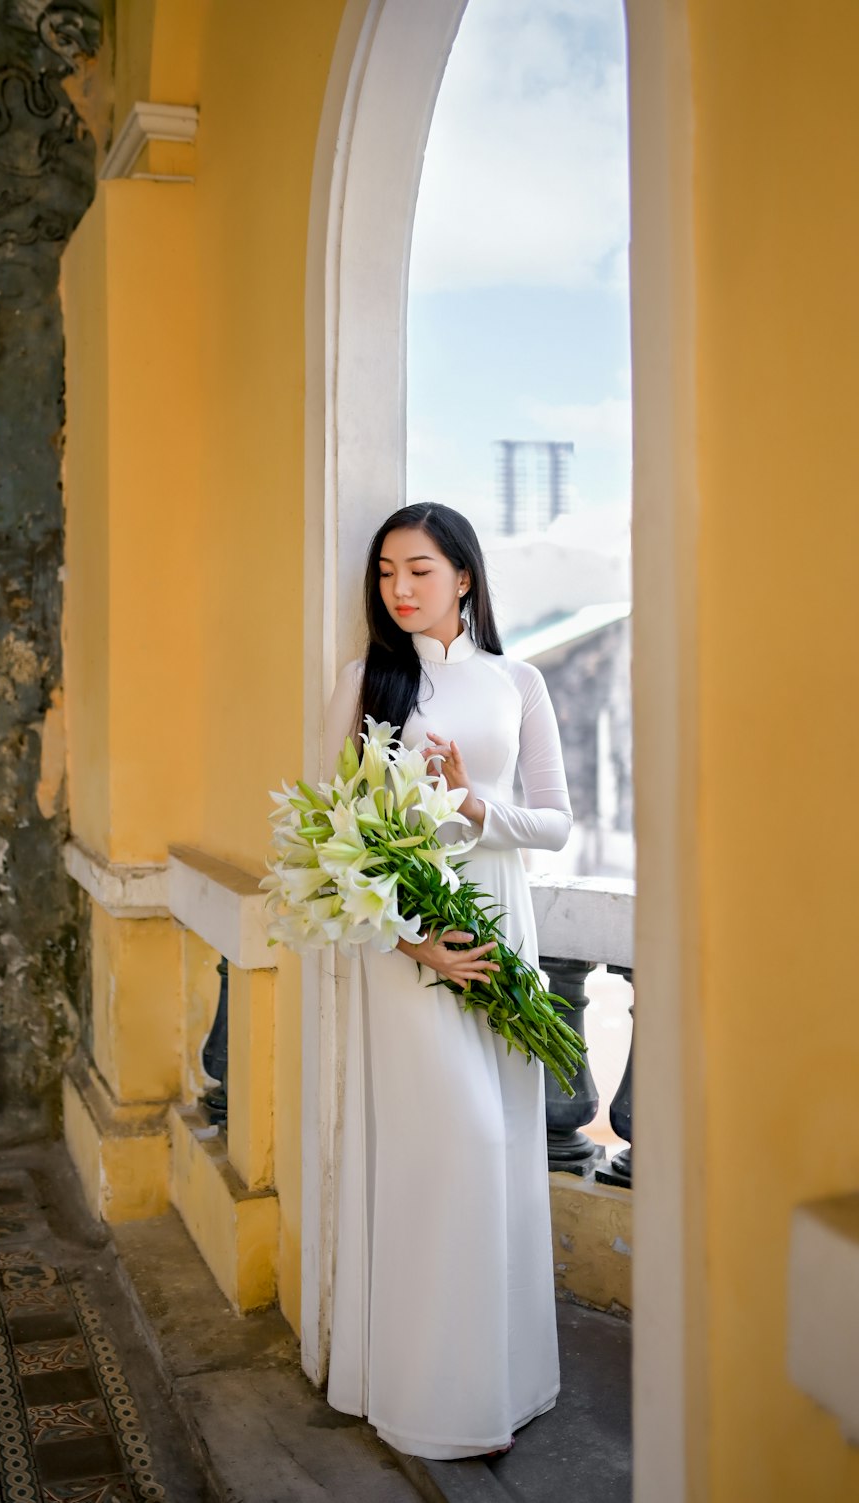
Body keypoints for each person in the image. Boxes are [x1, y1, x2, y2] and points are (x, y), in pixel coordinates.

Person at [321, 502, 574, 1460]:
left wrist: (474, 804)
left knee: (504, 1153)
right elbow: (329, 843)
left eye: (420, 570)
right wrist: (414, 945)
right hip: (412, 957)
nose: (399, 588)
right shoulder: (364, 683)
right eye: (387, 571)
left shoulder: (519, 681)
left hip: (501, 930)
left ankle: (498, 1387)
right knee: (454, 1151)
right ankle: (431, 1396)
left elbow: (554, 824)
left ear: (464, 576)